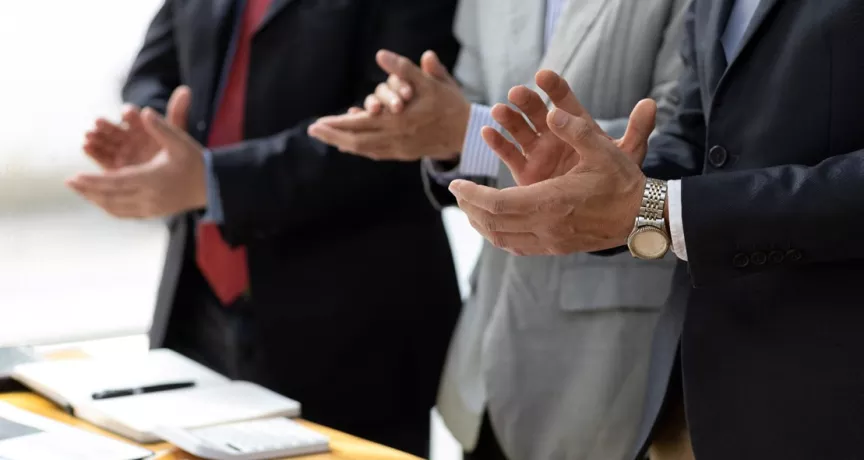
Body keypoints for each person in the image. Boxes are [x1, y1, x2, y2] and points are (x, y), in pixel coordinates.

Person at [448, 1, 864, 459]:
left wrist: (665, 210)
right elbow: (696, 136)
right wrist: (600, 184)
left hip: (838, 399)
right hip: (694, 396)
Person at [66, 0, 462, 455]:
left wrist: (213, 180)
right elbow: (153, 69)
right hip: (199, 314)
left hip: (353, 330)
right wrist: (154, 129)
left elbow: (398, 130)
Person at [309, 0, 688, 459]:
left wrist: (471, 131)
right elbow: (470, 106)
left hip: (615, 370)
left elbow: (688, 134)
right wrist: (431, 124)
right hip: (486, 359)